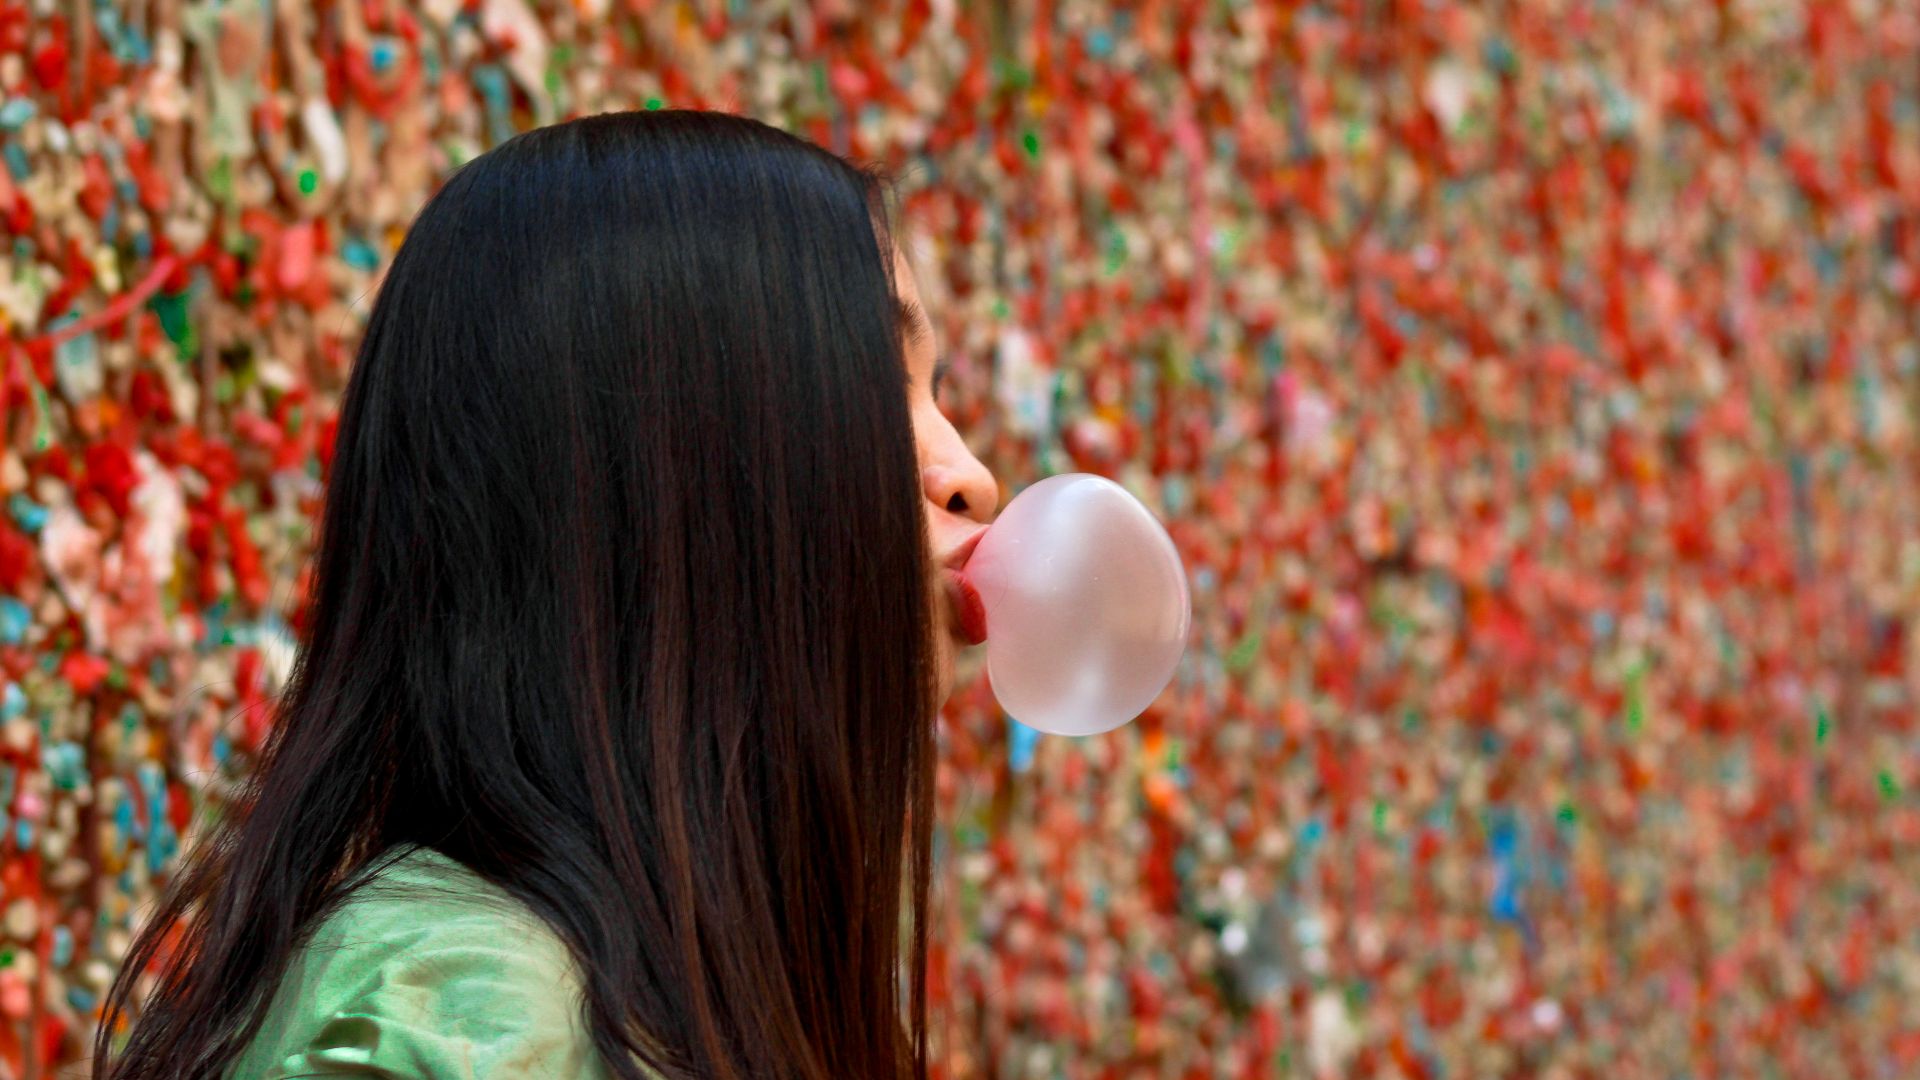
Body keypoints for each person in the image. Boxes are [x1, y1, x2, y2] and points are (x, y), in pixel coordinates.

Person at [92, 108, 1000, 1080]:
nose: (973, 477)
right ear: (670, 476)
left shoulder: (660, 985)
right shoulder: (453, 1008)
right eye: (879, 384)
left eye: (935, 391)